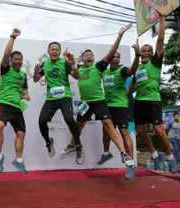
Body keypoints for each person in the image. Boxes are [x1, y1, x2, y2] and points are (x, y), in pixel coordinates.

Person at [60, 25, 136, 179]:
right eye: (86, 54)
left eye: (91, 55)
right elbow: (72, 72)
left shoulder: (99, 67)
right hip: (85, 103)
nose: (89, 56)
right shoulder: (78, 69)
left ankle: (124, 155)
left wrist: (120, 35)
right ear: (82, 58)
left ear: (94, 59)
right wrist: (70, 60)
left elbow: (110, 53)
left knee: (108, 125)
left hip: (99, 101)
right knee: (78, 125)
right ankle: (72, 145)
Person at [132, 6, 178, 173]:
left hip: (153, 100)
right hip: (139, 102)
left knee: (159, 130)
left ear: (152, 54)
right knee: (139, 129)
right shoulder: (138, 68)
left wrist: (162, 19)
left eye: (148, 51)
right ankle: (154, 155)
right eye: (143, 51)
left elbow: (159, 41)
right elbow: (133, 84)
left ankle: (170, 156)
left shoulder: (155, 63)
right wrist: (127, 93)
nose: (145, 53)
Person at [33, 42, 83, 164]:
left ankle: (78, 144)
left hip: (65, 96)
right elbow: (36, 80)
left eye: (57, 50)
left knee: (70, 120)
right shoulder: (45, 64)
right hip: (51, 98)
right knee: (41, 121)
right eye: (52, 49)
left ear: (59, 52)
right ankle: (48, 142)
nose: (54, 52)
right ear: (48, 51)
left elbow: (77, 77)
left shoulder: (64, 63)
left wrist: (73, 64)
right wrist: (36, 73)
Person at [96, 39, 140, 166]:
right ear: (109, 59)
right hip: (107, 106)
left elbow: (132, 70)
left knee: (124, 132)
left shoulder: (122, 70)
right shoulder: (104, 72)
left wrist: (137, 55)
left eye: (118, 58)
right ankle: (106, 154)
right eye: (113, 57)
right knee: (106, 131)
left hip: (120, 106)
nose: (116, 59)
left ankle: (130, 162)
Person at [0, 28, 30, 174]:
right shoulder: (6, 69)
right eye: (16, 59)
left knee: (21, 134)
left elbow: (25, 90)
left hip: (17, 107)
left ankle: (19, 161)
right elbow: (6, 53)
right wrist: (13, 37)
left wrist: (26, 95)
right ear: (11, 60)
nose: (19, 61)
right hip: (4, 104)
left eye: (21, 59)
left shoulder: (22, 75)